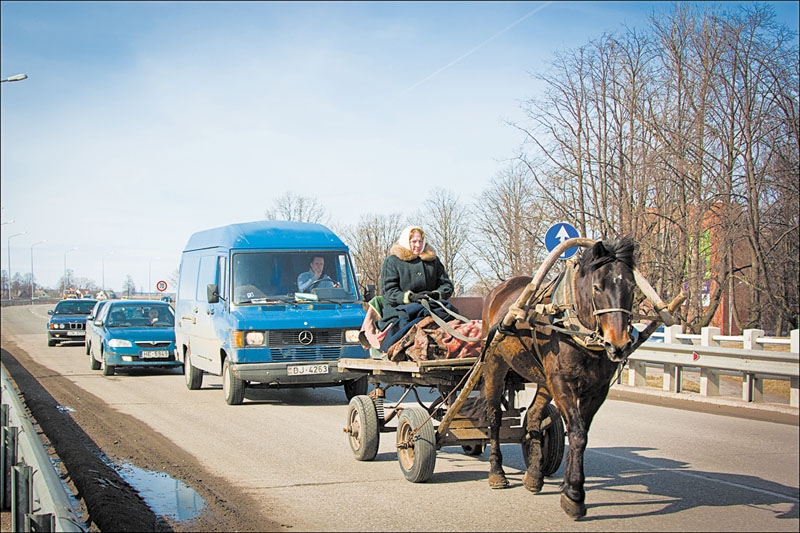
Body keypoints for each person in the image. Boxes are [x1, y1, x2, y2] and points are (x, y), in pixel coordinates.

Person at [376, 225, 455, 336]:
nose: (418, 245)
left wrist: (436, 295)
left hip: (431, 306)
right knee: (405, 327)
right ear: (406, 241)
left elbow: (446, 285)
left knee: (450, 317)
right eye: (414, 241)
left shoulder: (433, 261)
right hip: (400, 310)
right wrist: (411, 297)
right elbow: (389, 292)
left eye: (420, 241)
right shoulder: (392, 261)